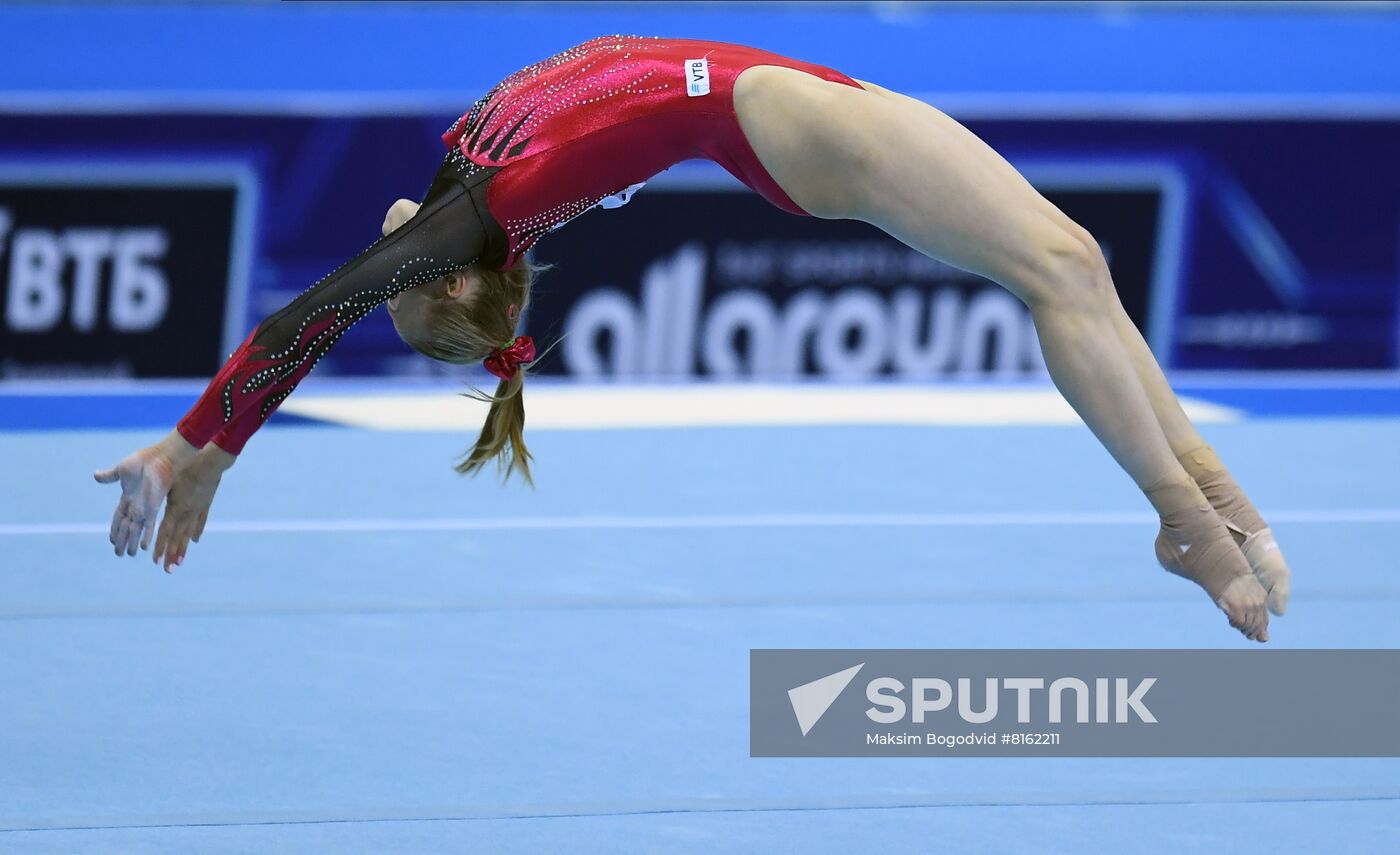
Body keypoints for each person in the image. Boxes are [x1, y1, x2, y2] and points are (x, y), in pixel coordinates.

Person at [94, 36, 1290, 641]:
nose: (382, 253)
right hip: (783, 122)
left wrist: (205, 448)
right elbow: (308, 317)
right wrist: (197, 445)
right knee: (1053, 269)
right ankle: (1186, 526)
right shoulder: (467, 212)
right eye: (401, 290)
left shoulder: (473, 184)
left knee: (1072, 258)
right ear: (430, 267)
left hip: (793, 100)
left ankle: (1213, 500)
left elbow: (330, 308)